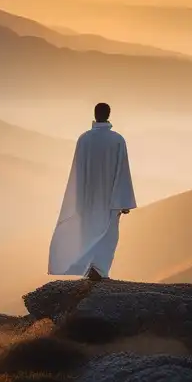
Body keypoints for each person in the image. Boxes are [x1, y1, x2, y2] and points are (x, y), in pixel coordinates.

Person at [47, 102, 137, 280]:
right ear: (108, 114)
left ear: (95, 114)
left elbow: (78, 170)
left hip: (87, 198)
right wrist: (123, 201)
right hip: (109, 199)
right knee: (107, 235)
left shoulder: (84, 139)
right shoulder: (117, 139)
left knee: (88, 232)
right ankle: (99, 270)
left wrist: (78, 198)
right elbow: (122, 170)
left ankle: (92, 270)